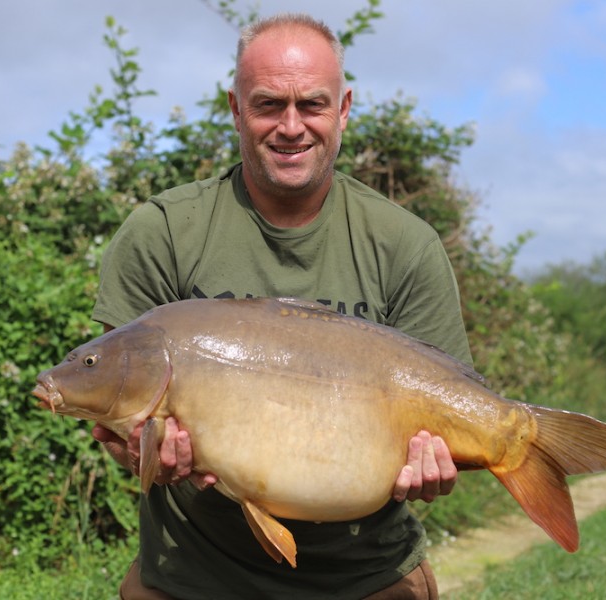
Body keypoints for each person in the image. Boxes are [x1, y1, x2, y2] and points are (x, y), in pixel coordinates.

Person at [91, 12, 473, 600]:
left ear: (344, 109)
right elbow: (117, 406)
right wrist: (131, 450)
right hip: (191, 577)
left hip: (367, 577)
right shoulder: (162, 231)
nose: (291, 126)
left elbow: (449, 413)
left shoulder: (405, 244)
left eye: (312, 105)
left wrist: (436, 464)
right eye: (268, 104)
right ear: (235, 108)